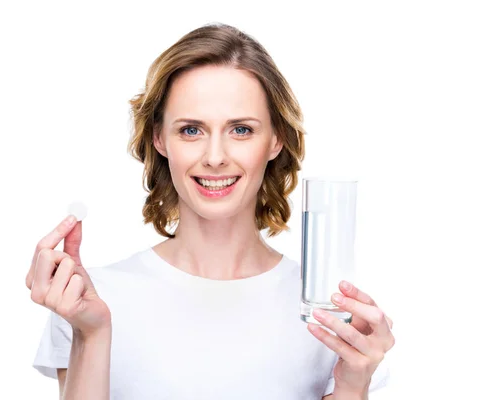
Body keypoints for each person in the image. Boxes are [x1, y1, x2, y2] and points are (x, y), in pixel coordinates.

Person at [26, 23, 395, 400]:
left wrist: (353, 386)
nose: (215, 157)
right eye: (190, 130)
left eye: (240, 130)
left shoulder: (323, 316)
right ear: (159, 138)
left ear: (276, 139)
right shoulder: (91, 299)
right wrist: (91, 334)